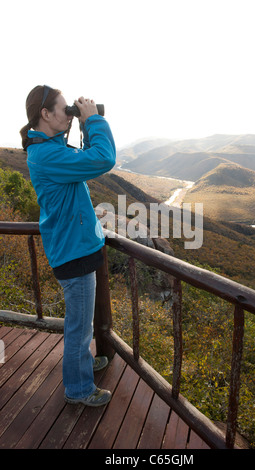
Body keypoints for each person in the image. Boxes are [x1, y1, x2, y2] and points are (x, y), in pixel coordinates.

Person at [20, 85, 116, 407]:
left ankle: (84, 365)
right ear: (45, 114)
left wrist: (82, 123)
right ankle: (78, 389)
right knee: (78, 328)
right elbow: (103, 159)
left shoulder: (48, 149)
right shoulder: (48, 154)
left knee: (82, 322)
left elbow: (85, 160)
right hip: (73, 253)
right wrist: (93, 122)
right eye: (64, 109)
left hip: (73, 248)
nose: (68, 114)